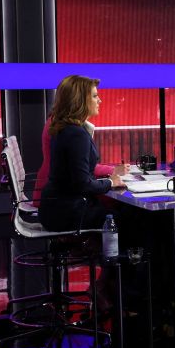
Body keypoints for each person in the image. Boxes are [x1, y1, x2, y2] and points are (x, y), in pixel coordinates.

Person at [38, 75, 125, 232]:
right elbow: (82, 183)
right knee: (133, 218)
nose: (100, 100)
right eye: (94, 96)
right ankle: (130, 256)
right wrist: (111, 182)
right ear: (80, 100)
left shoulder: (64, 128)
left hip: (55, 209)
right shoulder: (76, 134)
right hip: (68, 211)